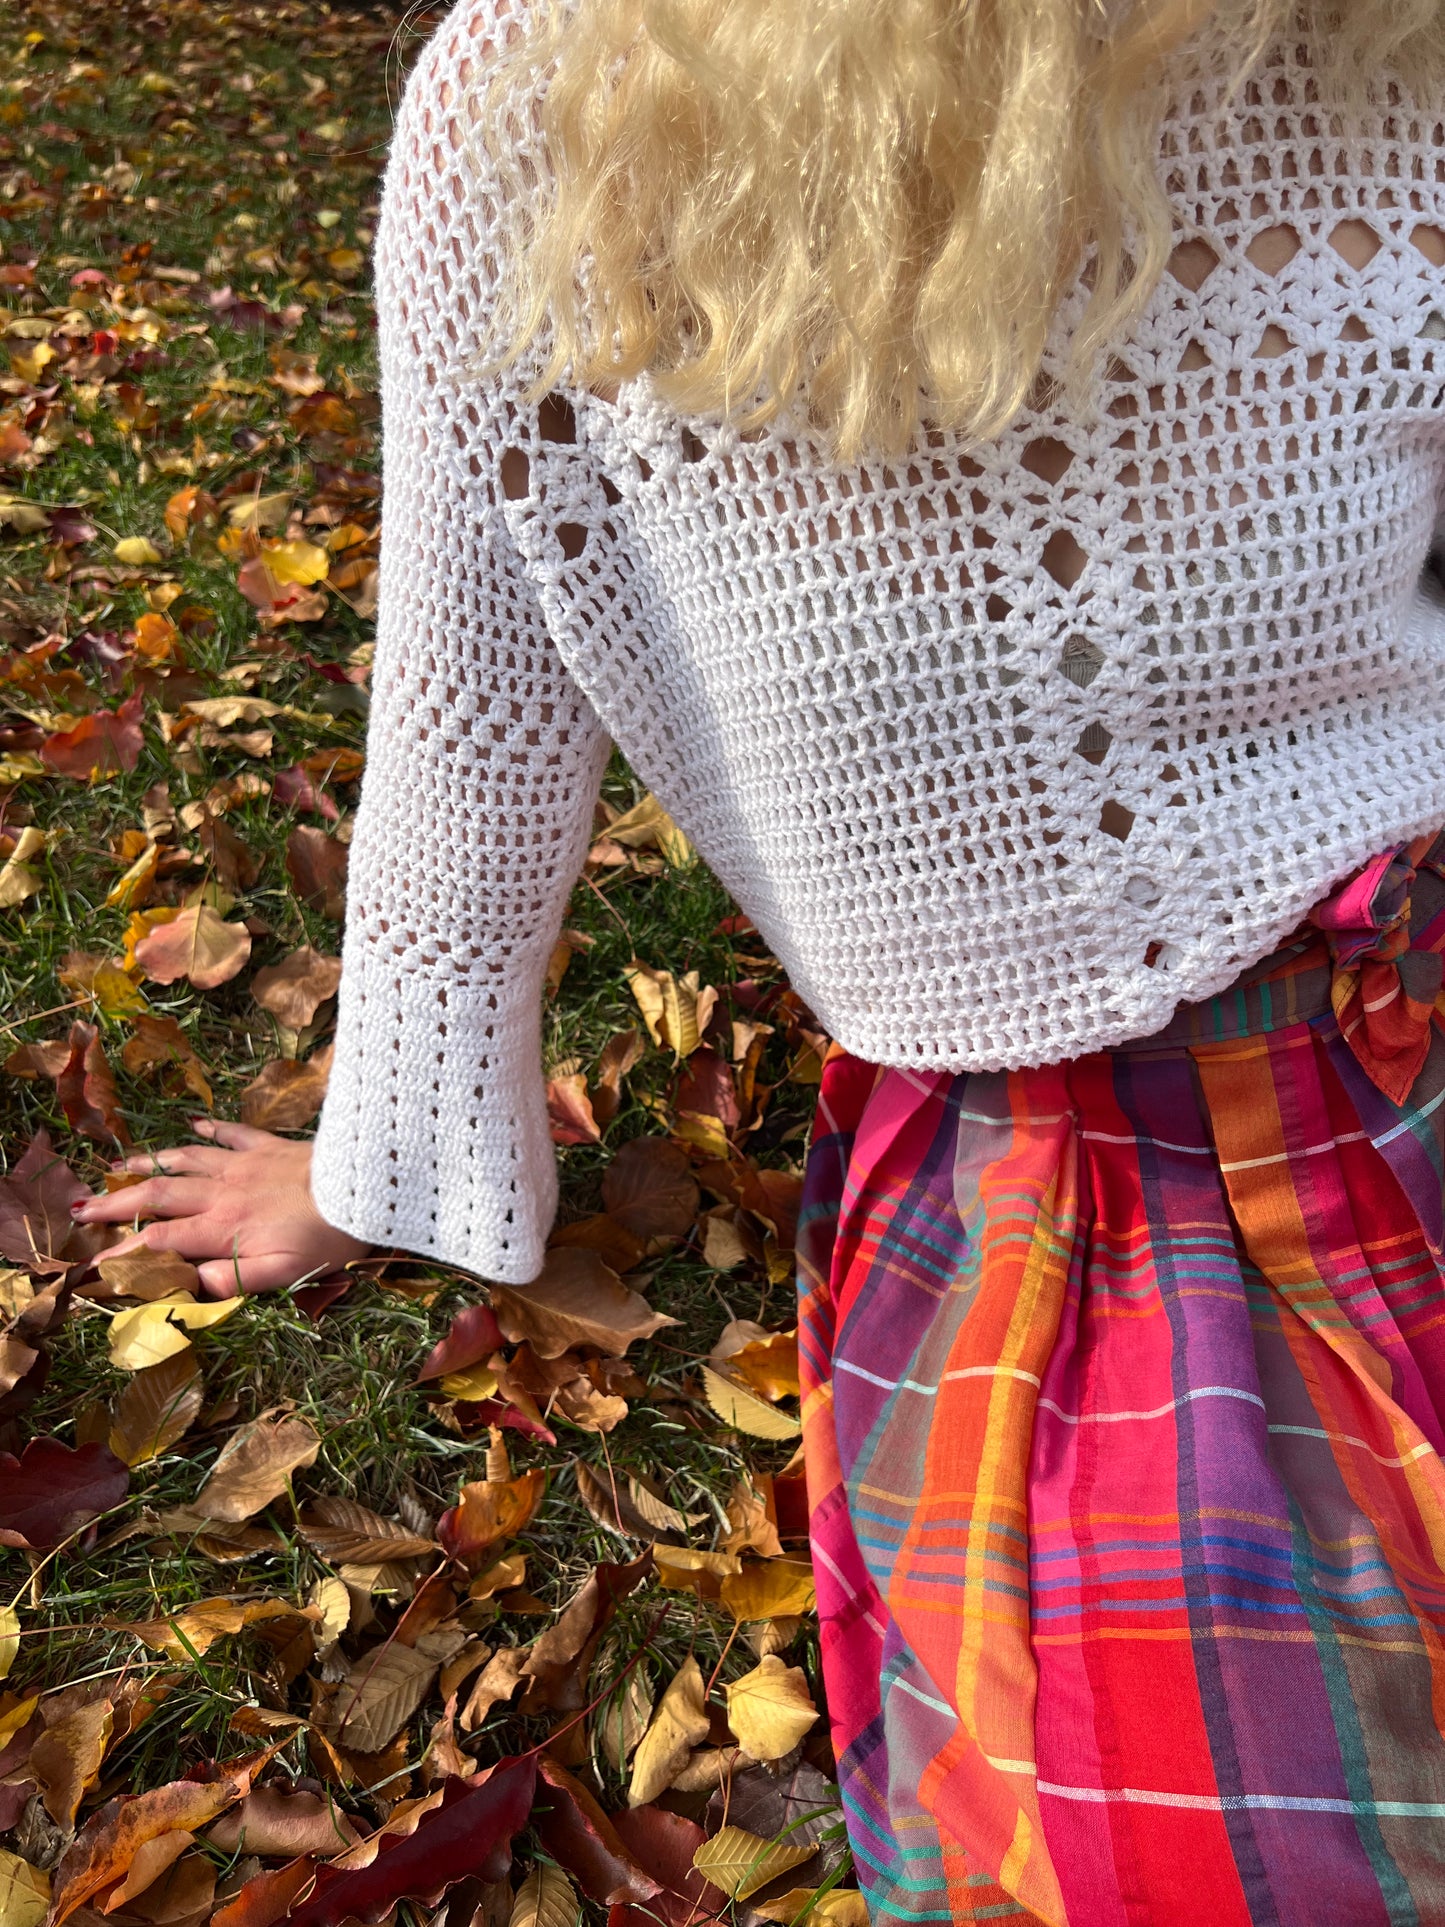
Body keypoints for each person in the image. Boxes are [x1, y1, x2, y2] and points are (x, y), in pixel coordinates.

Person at [72, 0, 1445, 1917]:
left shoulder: (1375, 52)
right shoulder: (551, 98)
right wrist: (385, 1158)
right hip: (1046, 1186)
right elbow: (479, 715)